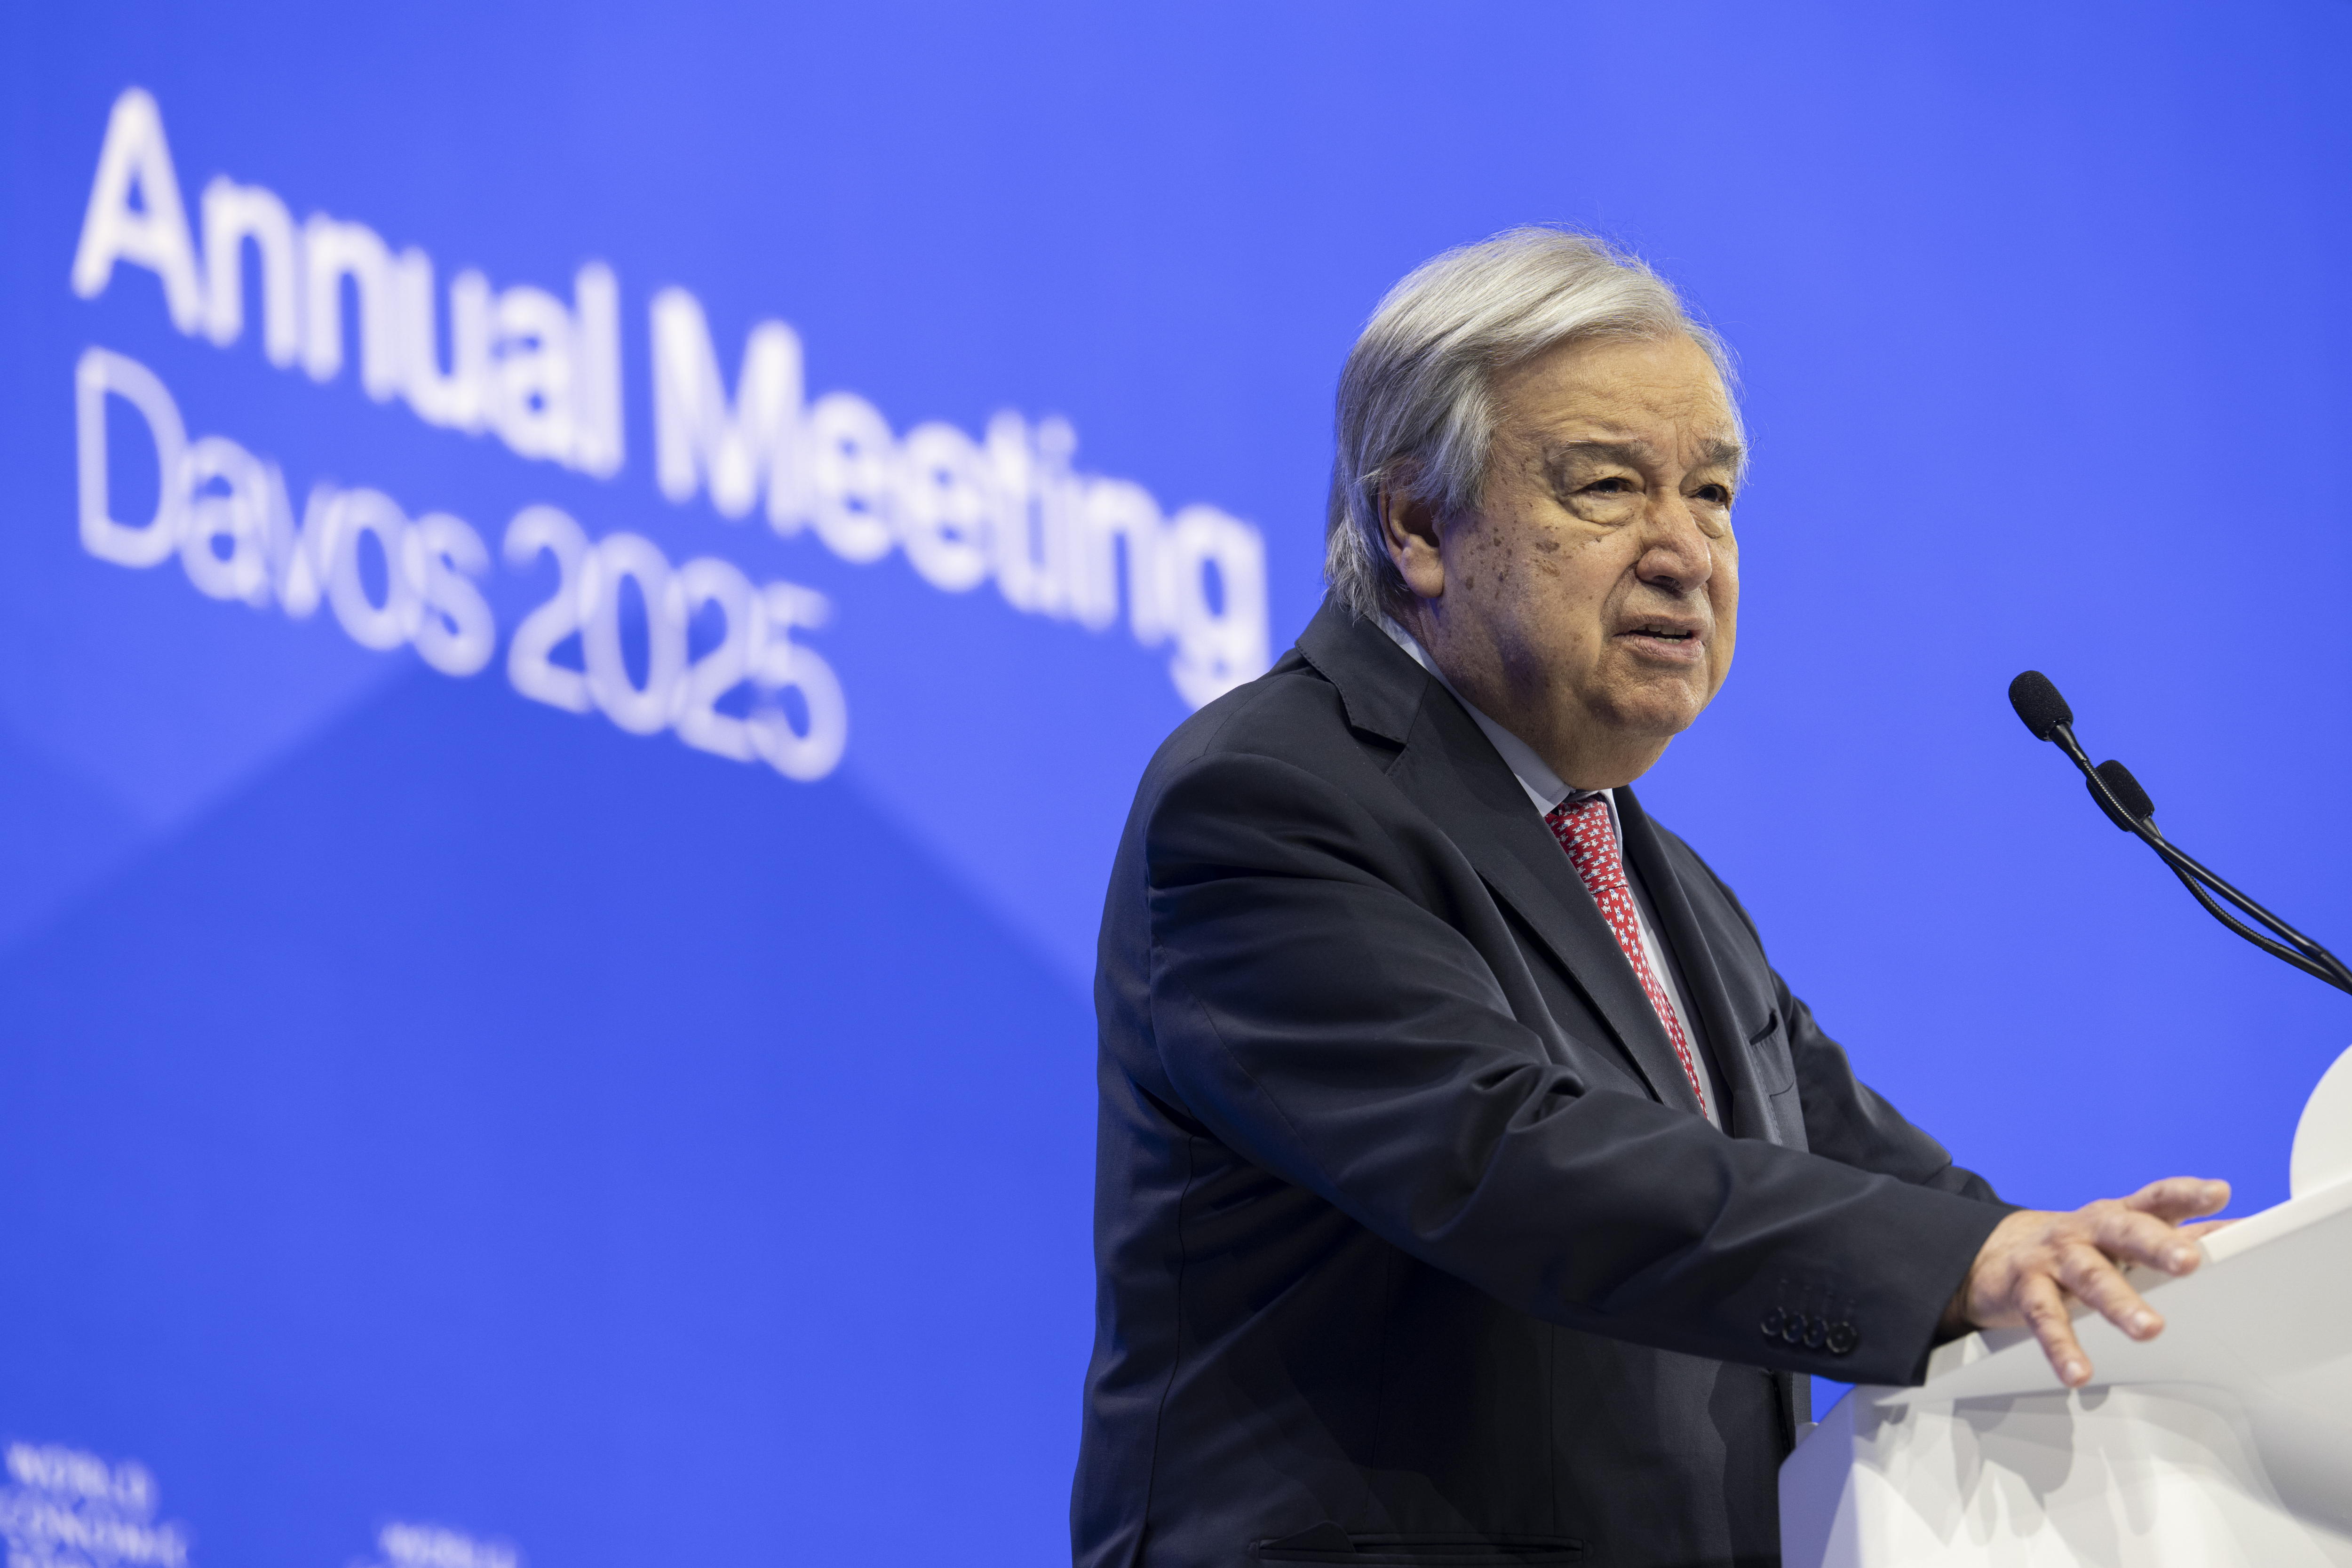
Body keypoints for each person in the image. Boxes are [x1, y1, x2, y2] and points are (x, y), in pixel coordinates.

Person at [1071, 228, 2231, 1568]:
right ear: (1415, 524)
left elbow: (1844, 1170)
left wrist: (2082, 1272)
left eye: (1718, 495)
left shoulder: (1657, 880)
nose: (1688, 553)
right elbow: (1507, 1159)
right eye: (1610, 488)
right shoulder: (1269, 797)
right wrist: (1951, 1265)